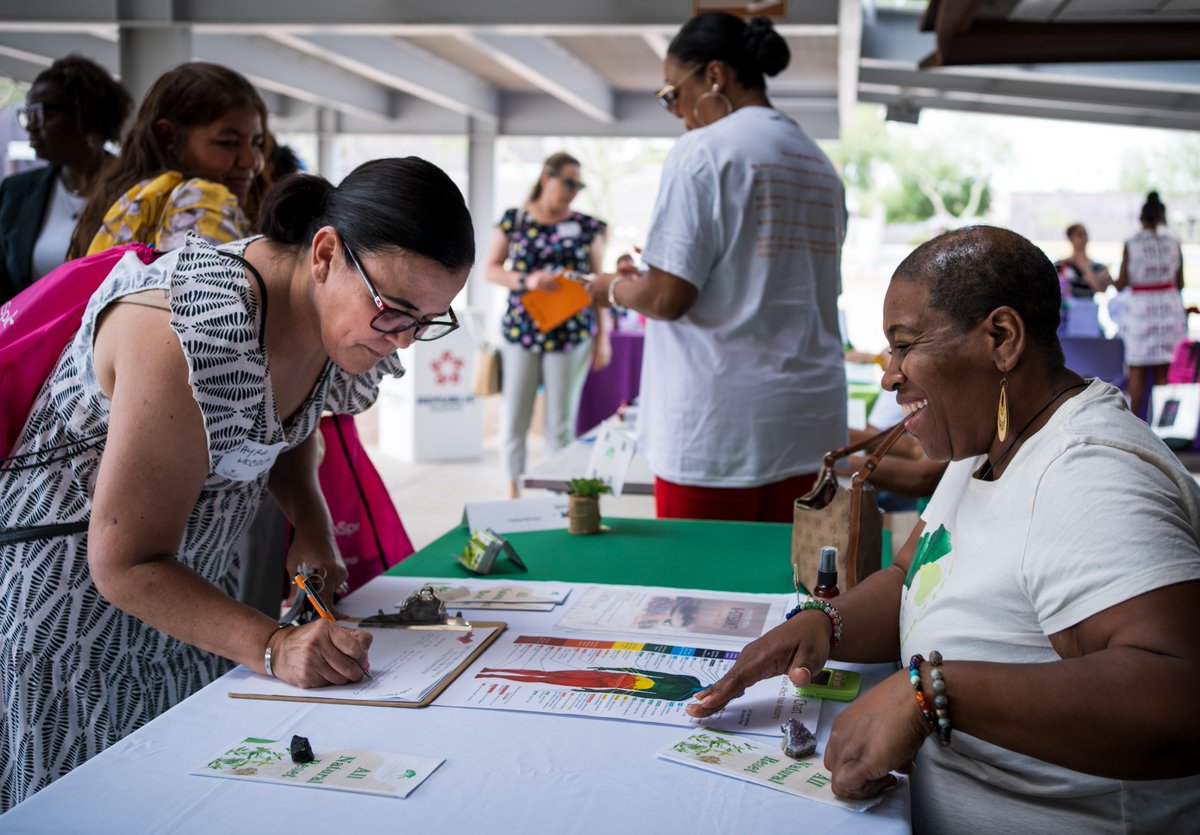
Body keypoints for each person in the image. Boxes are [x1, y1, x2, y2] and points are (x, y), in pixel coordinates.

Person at [688, 226, 1200, 832]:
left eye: (905, 346)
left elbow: (1178, 696)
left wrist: (929, 694)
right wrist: (823, 624)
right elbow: (911, 575)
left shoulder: (1089, 473)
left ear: (1002, 339)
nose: (889, 375)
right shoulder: (986, 445)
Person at [0, 157, 475, 808]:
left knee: (185, 799)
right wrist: (275, 645)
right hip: (72, 619)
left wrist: (310, 522)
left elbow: (277, 420)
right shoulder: (187, 329)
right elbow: (124, 562)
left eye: (429, 320)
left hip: (192, 602)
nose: (405, 341)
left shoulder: (328, 321)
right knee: (91, 805)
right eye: (395, 310)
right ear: (326, 253)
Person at [587, 12, 847, 523]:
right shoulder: (818, 163)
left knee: (698, 596)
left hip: (718, 426)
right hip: (808, 423)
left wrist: (612, 288)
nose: (677, 113)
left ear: (714, 76)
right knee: (789, 592)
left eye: (672, 93)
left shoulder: (702, 151)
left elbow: (668, 298)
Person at [484, 151, 610, 498]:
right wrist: (528, 280)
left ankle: (560, 494)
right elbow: (491, 269)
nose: (573, 190)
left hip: (571, 336)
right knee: (515, 418)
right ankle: (513, 488)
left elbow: (598, 285)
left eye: (579, 184)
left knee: (560, 423)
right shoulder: (515, 220)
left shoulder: (588, 227)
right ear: (546, 178)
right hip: (522, 332)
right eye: (568, 182)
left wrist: (604, 338)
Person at [68, 61, 267, 259]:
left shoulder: (115, 204)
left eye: (257, 143)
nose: (252, 161)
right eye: (228, 142)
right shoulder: (201, 200)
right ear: (167, 136)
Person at [0, 55, 131, 302]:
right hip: (34, 337)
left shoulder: (137, 189)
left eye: (39, 113)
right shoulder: (16, 192)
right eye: (27, 114)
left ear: (84, 115)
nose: (30, 126)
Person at [1115, 191, 1186, 419]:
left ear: (1141, 218)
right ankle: (1164, 430)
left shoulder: (1131, 242)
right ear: (1161, 216)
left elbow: (1123, 282)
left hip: (1140, 311)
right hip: (1168, 309)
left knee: (1136, 373)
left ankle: (1136, 428)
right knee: (1163, 374)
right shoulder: (1174, 241)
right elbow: (1180, 282)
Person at [1055, 223, 1111, 299]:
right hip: (1066, 308)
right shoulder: (1059, 266)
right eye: (1079, 235)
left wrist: (1084, 268)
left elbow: (1101, 289)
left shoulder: (1099, 267)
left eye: (1085, 234)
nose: (1083, 238)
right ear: (1070, 239)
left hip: (1088, 308)